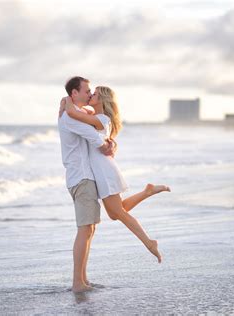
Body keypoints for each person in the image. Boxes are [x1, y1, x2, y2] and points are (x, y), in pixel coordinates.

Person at [62, 85, 171, 266]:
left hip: (104, 171)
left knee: (118, 212)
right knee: (115, 213)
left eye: (94, 94)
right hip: (101, 170)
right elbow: (80, 115)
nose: (90, 95)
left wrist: (66, 101)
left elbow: (74, 114)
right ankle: (147, 191)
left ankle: (149, 242)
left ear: (103, 100)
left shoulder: (101, 118)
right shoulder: (95, 117)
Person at [58, 76, 116, 293]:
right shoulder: (70, 117)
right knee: (84, 230)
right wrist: (106, 146)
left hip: (82, 177)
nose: (89, 94)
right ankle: (77, 283)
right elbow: (92, 136)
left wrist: (110, 143)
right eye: (86, 90)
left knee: (89, 229)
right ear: (75, 93)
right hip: (81, 178)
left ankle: (83, 278)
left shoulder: (74, 112)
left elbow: (91, 119)